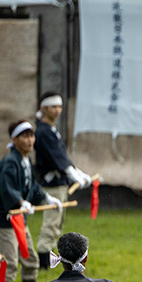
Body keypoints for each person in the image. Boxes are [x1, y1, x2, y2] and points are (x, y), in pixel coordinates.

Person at [0, 120, 61, 282]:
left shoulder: (25, 161)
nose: (30, 140)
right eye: (25, 136)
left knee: (31, 260)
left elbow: (32, 186)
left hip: (20, 220)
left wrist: (47, 197)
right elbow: (8, 189)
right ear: (15, 140)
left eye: (31, 135)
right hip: (6, 221)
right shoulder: (9, 162)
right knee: (9, 264)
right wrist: (20, 202)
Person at [33, 93, 91, 261]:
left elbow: (62, 157)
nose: (57, 110)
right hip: (52, 185)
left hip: (60, 183)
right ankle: (43, 262)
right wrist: (73, 174)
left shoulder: (51, 130)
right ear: (44, 108)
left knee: (57, 225)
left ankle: (49, 259)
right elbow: (56, 158)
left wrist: (77, 172)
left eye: (59, 106)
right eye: (53, 107)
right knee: (50, 225)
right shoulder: (43, 132)